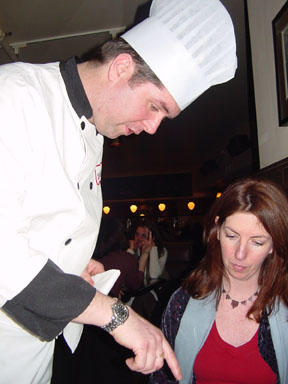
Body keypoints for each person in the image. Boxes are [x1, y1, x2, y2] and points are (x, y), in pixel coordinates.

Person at [0, 0, 237, 382]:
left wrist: (74, 264)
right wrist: (115, 315)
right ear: (122, 68)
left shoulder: (96, 137)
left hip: (34, 356)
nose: (152, 128)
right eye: (154, 106)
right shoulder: (13, 95)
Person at [150, 177, 288, 384]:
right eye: (231, 236)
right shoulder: (183, 301)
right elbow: (162, 378)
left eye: (257, 242)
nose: (240, 254)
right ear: (217, 231)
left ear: (273, 245)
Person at [93, 215, 147, 298]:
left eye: (143, 235)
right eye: (137, 234)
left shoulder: (86, 255)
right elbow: (135, 285)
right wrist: (145, 254)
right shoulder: (125, 258)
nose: (139, 238)